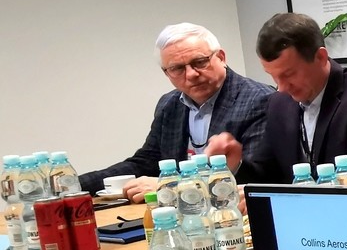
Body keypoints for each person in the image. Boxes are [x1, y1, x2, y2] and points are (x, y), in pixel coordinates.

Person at [80, 23, 272, 199]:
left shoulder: (259, 99)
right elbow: (145, 162)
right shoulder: (169, 104)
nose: (191, 74)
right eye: (177, 68)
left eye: (200, 62)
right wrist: (76, 186)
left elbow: (257, 178)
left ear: (221, 57)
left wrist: (170, 186)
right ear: (166, 73)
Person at [204, 13, 347, 182]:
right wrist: (236, 164)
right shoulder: (278, 103)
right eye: (273, 76)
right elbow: (267, 176)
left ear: (320, 57)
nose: (281, 87)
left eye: (289, 74)